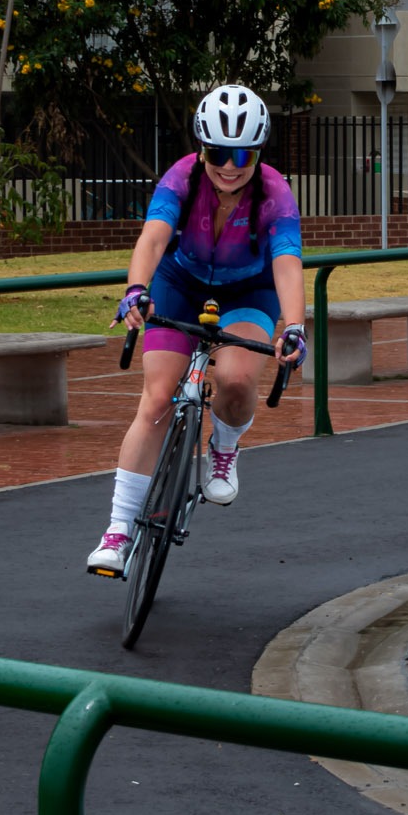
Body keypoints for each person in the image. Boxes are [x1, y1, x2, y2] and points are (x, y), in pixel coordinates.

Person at [87, 84, 307, 575]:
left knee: (235, 379)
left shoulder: (274, 192)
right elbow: (153, 238)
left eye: (242, 153)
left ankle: (224, 446)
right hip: (179, 282)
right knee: (158, 397)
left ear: (259, 151)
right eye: (216, 152)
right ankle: (118, 530)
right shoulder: (181, 179)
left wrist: (294, 326)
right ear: (200, 148)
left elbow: (288, 265)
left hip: (248, 291)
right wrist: (135, 289)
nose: (229, 165)